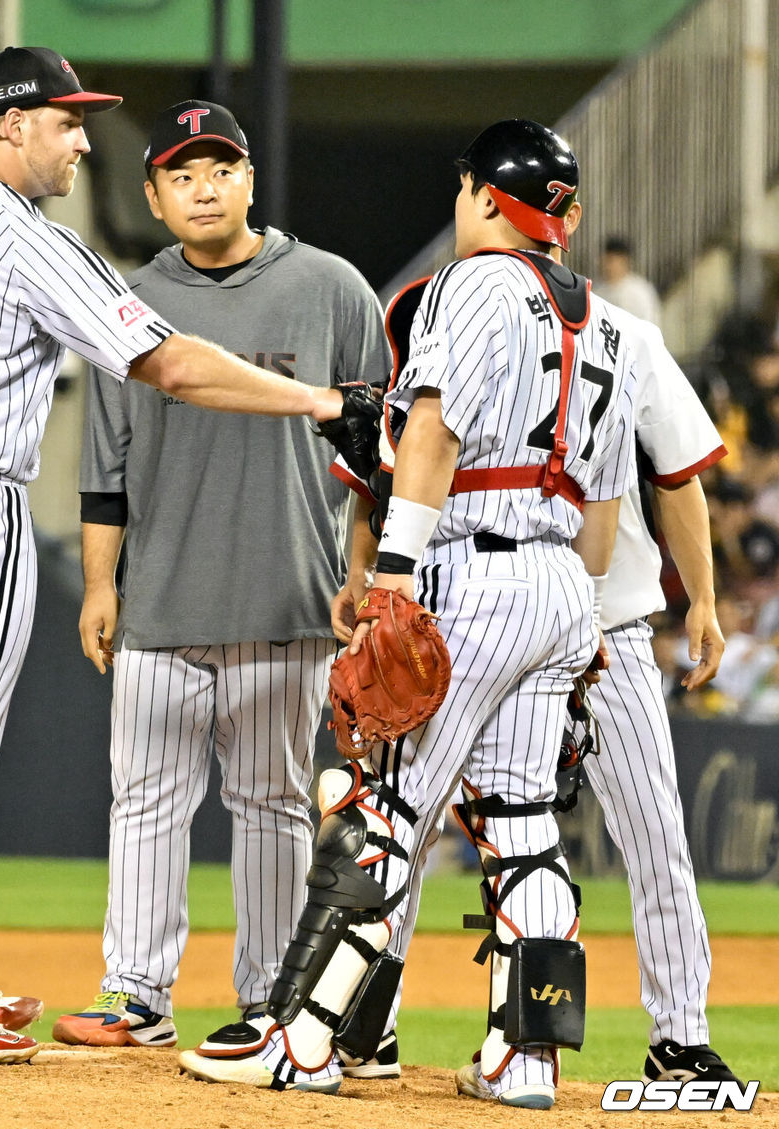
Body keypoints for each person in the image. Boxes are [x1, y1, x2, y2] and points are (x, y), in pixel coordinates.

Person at [0, 46, 345, 1066]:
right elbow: (169, 363)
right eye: (65, 121)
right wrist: (317, 399)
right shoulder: (21, 234)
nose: (83, 141)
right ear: (9, 125)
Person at [178, 118, 637, 1107]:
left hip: (470, 569)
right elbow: (601, 512)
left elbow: (430, 430)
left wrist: (390, 572)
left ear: (480, 195)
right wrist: (581, 613)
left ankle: (301, 1039)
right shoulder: (604, 319)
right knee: (521, 821)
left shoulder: (470, 284)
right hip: (561, 581)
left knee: (381, 810)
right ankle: (527, 1060)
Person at [368, 196, 742, 1089]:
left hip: (594, 621)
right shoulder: (442, 307)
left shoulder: (618, 333)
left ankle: (679, 1034)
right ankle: (371, 1023)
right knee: (431, 825)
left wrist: (703, 597)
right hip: (492, 608)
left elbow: (679, 471)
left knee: (649, 830)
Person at [50, 100, 390, 1052]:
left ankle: (274, 996)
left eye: (222, 167)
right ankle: (135, 992)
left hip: (292, 594)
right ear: (153, 196)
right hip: (159, 597)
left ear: (250, 180)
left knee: (274, 803)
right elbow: (103, 465)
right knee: (146, 798)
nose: (205, 186)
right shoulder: (129, 302)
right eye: (183, 173)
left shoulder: (332, 288)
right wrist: (101, 584)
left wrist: (364, 571)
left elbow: (379, 449)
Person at [595, 236, 662, 326]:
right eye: (607, 260)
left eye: (613, 261)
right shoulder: (597, 291)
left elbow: (650, 323)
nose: (609, 266)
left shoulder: (640, 291)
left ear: (625, 261)